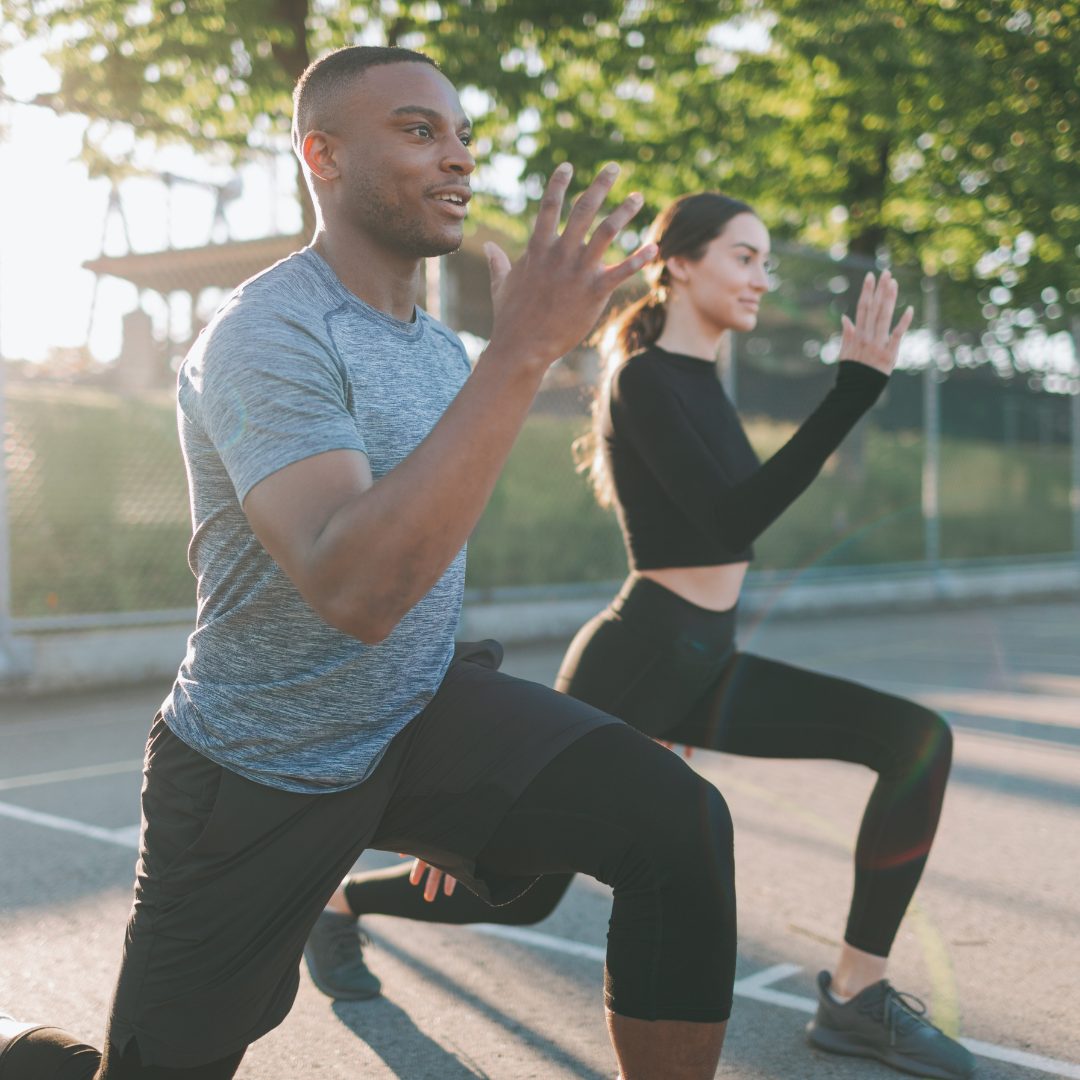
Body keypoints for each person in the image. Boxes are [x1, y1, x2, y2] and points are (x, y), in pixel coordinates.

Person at [0, 49, 738, 1080]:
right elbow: (356, 589)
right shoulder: (267, 333)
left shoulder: (440, 354)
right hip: (256, 767)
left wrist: (449, 785)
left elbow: (432, 567)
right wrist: (521, 354)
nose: (458, 161)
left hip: (413, 720)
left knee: (677, 824)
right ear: (324, 155)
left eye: (463, 136)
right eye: (419, 130)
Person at [309, 193, 978, 1080]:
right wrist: (852, 391)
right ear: (682, 262)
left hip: (710, 660)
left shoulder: (702, 384)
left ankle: (856, 996)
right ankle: (340, 905)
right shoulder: (644, 380)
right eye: (744, 256)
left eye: (765, 260)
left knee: (916, 741)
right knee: (520, 894)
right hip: (638, 659)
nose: (760, 277)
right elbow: (729, 520)